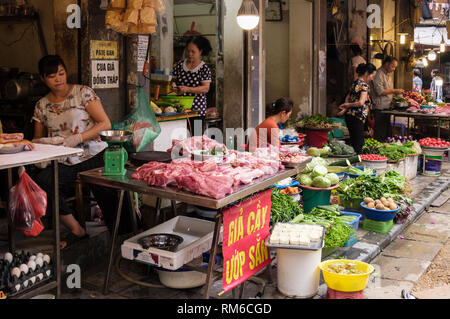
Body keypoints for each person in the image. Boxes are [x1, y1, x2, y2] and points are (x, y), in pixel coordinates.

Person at [30, 55, 133, 249]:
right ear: (43, 79)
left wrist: (78, 138)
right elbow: (37, 138)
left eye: (61, 73)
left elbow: (105, 123)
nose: (58, 79)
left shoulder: (83, 93)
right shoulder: (41, 105)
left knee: (103, 184)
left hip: (92, 153)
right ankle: (76, 229)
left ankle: (125, 234)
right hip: (61, 158)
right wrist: (46, 143)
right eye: (52, 76)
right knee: (41, 181)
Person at [171, 36, 212, 132]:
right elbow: (173, 80)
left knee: (196, 139)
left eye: (193, 52)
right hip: (180, 110)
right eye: (188, 51)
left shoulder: (204, 68)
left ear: (200, 51)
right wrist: (173, 85)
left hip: (197, 111)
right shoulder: (180, 65)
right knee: (180, 138)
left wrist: (187, 89)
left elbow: (205, 88)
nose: (189, 54)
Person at [338, 63, 377, 154]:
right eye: (372, 75)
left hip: (350, 117)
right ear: (367, 73)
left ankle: (354, 163)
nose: (372, 78)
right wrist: (347, 106)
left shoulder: (354, 83)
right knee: (359, 145)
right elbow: (361, 102)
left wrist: (345, 108)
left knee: (354, 142)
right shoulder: (364, 85)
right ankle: (357, 165)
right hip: (357, 117)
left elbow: (347, 98)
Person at [371, 56, 404, 142]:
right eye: (393, 66)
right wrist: (395, 91)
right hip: (380, 108)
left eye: (395, 67)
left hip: (387, 107)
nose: (394, 69)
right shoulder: (378, 74)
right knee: (380, 133)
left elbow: (389, 91)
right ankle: (377, 152)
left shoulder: (388, 75)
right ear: (386, 64)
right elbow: (380, 92)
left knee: (387, 133)